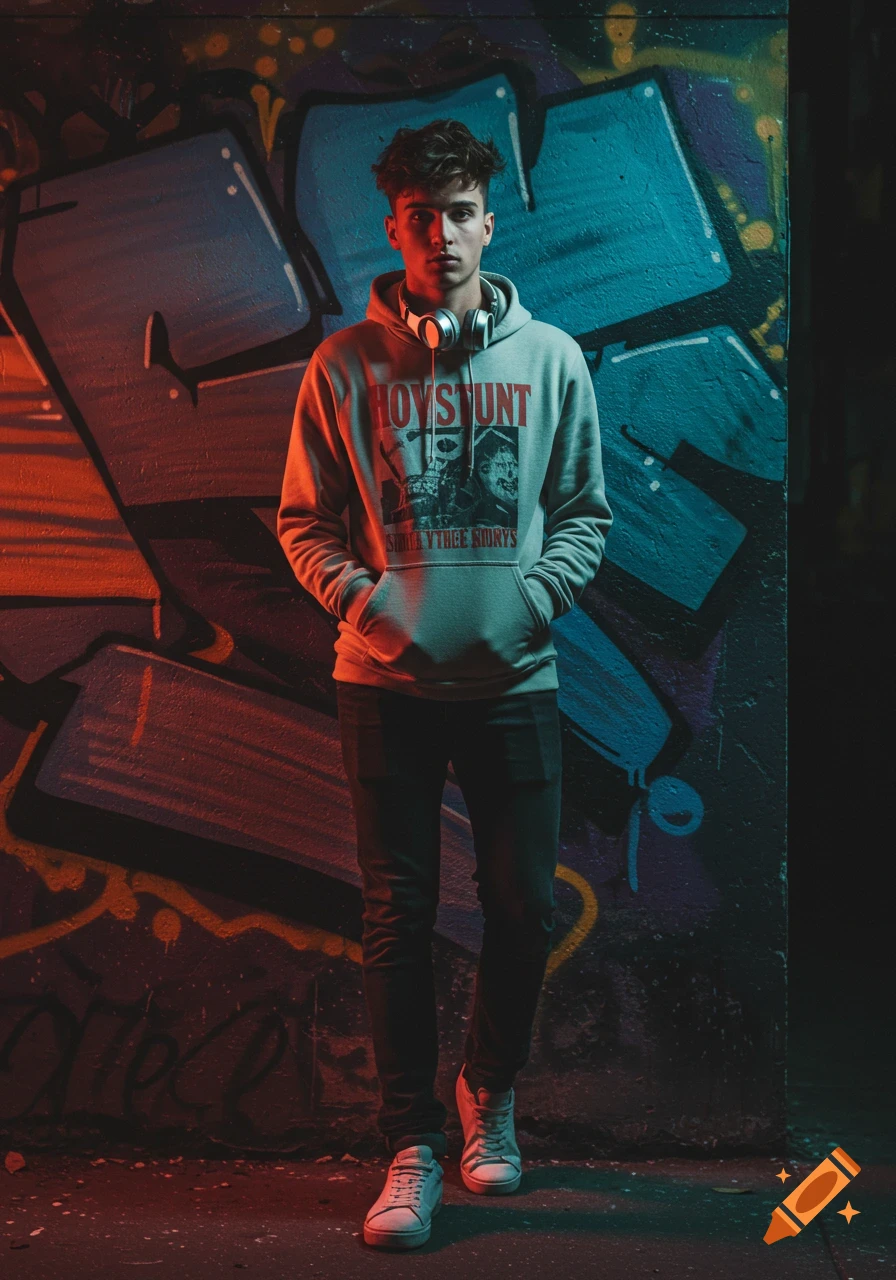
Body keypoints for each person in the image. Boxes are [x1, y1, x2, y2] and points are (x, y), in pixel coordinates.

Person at [277, 118, 613, 1250]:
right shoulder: (342, 366)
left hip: (516, 676)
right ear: (393, 231)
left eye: (460, 210)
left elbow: (582, 516)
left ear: (488, 217)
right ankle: (410, 1142)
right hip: (383, 683)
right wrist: (371, 608)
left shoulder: (551, 360)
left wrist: (524, 604)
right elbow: (302, 522)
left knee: (521, 906)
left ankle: (489, 1093)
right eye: (419, 218)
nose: (442, 235)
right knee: (397, 915)